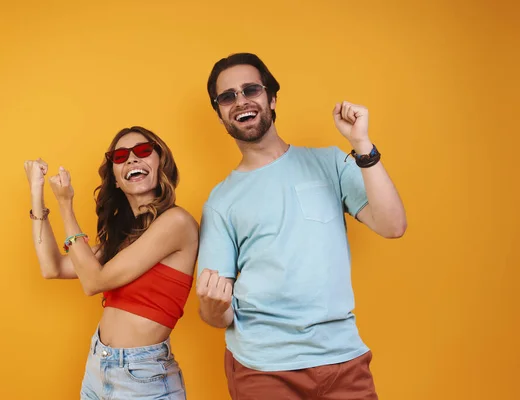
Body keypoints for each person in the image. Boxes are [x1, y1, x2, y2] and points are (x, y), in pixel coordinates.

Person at [195, 53, 407, 400]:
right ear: (219, 113)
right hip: (262, 368)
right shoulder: (221, 202)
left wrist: (361, 145)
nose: (241, 101)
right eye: (227, 96)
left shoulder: (330, 162)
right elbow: (216, 313)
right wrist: (213, 308)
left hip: (343, 359)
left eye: (251, 89)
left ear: (272, 98)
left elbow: (393, 225)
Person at [24, 126, 198, 400]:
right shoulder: (124, 238)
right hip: (98, 366)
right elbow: (52, 267)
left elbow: (94, 282)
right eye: (120, 157)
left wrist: (66, 206)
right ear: (116, 180)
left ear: (160, 163)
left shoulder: (177, 223)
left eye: (142, 151)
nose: (131, 159)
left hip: (142, 377)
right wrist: (37, 191)